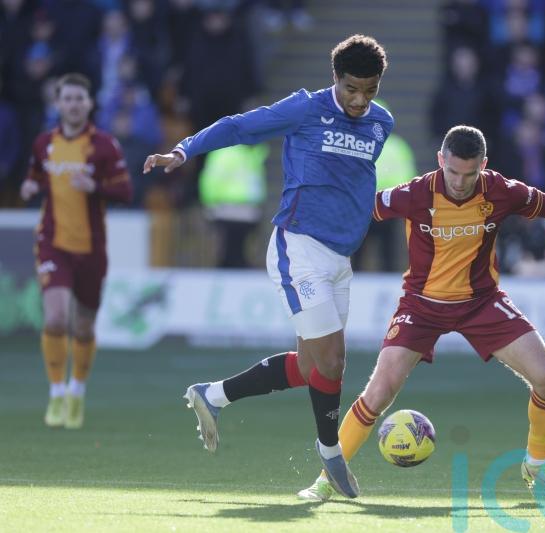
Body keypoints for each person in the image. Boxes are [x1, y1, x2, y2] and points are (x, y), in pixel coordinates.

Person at [296, 125, 545, 502]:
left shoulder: (500, 191)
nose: (460, 182)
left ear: (483, 165)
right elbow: (359, 210)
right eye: (453, 172)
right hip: (421, 306)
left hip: (481, 303)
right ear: (441, 160)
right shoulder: (414, 193)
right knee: (379, 392)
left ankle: (537, 464)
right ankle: (328, 478)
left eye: (470, 173)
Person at [143, 34, 392, 499]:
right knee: (333, 357)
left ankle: (212, 395)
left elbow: (353, 184)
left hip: (340, 258)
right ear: (335, 78)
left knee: (316, 365)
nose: (361, 100)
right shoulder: (305, 108)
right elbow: (240, 127)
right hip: (298, 249)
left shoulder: (382, 123)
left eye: (371, 90)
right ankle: (330, 451)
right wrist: (183, 150)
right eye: (353, 88)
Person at [19, 73, 133, 429]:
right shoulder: (43, 143)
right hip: (53, 241)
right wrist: (28, 185)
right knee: (55, 317)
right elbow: (37, 175)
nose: (72, 104)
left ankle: (77, 391)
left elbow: (126, 193)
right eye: (66, 98)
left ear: (89, 103)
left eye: (78, 99)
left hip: (91, 249)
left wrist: (94, 186)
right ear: (58, 104)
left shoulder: (104, 146)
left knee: (83, 326)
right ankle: (56, 394)